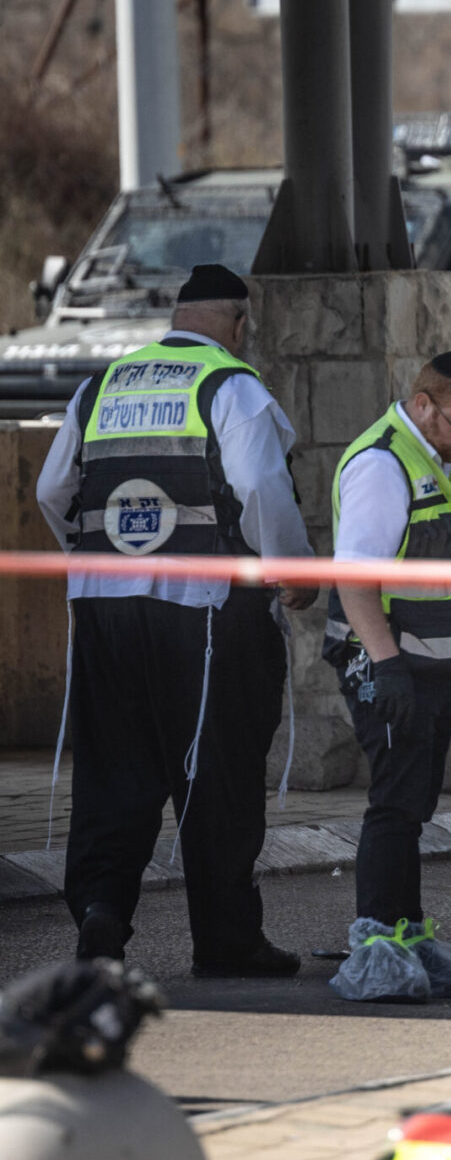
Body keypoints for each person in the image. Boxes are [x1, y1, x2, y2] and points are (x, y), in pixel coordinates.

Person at [35, 263, 315, 974]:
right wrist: (291, 572)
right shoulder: (232, 387)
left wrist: (96, 561)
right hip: (206, 614)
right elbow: (261, 488)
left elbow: (51, 490)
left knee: (113, 769)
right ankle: (227, 941)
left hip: (105, 611)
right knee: (216, 773)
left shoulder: (100, 388)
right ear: (239, 324)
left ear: (176, 318)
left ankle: (100, 913)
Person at [323, 352, 451, 943]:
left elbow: (438, 551)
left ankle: (404, 930)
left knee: (415, 798)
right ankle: (381, 937)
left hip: (427, 657)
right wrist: (387, 665)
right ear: (423, 404)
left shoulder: (435, 456)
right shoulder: (382, 465)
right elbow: (354, 579)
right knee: (396, 799)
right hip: (388, 657)